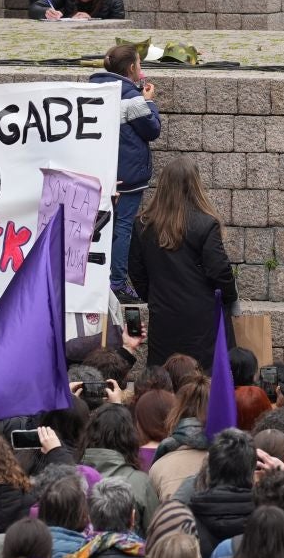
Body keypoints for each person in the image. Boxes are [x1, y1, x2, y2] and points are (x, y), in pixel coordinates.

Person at [130, 160, 238, 368]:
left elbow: (136, 271)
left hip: (163, 312)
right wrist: (229, 297)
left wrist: (153, 295)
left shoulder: (143, 224)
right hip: (202, 314)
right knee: (202, 376)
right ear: (195, 185)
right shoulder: (206, 223)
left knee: (165, 376)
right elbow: (219, 269)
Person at [89, 44, 163, 302]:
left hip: (99, 171)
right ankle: (116, 283)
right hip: (127, 176)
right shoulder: (130, 96)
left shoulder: (93, 87)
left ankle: (96, 280)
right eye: (139, 64)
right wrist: (149, 102)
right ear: (132, 68)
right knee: (122, 227)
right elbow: (152, 129)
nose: (140, 69)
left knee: (99, 226)